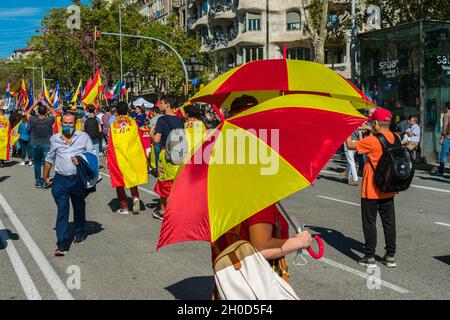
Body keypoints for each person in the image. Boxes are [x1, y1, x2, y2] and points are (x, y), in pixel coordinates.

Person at [345, 108, 398, 268]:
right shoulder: (396, 137)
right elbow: (384, 136)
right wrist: (370, 129)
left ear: (375, 123)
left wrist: (346, 129)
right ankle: (390, 256)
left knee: (370, 223)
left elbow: (349, 145)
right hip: (389, 188)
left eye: (371, 123)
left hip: (371, 190)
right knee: (389, 223)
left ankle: (369, 256)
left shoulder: (372, 141)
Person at [42, 112, 96, 256]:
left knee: (78, 206)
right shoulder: (54, 139)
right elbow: (49, 158)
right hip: (60, 180)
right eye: (65, 123)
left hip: (78, 179)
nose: (68, 126)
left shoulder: (84, 137)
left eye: (70, 123)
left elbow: (93, 155)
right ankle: (62, 244)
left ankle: (79, 232)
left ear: (75, 123)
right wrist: (45, 176)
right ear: (61, 123)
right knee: (62, 210)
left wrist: (81, 159)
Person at [107, 101, 147, 215]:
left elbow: (111, 142)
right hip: (132, 154)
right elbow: (138, 138)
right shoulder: (133, 122)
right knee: (132, 177)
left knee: (119, 180)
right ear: (127, 110)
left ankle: (124, 207)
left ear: (117, 111)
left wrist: (109, 156)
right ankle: (135, 197)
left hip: (119, 155)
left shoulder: (113, 123)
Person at [150, 97, 185, 220]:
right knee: (177, 183)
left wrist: (151, 133)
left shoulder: (161, 120)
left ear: (167, 105)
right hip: (179, 155)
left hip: (167, 155)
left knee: (165, 182)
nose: (159, 105)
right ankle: (178, 209)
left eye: (162, 103)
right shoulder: (180, 120)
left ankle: (162, 210)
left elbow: (157, 140)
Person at [26, 101, 56, 188]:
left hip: (36, 144)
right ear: (46, 112)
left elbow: (27, 112)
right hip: (47, 144)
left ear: (38, 112)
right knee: (47, 163)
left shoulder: (34, 120)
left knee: (37, 164)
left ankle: (38, 181)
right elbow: (54, 113)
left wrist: (34, 104)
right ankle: (45, 180)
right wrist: (47, 105)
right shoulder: (49, 120)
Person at [432, 102, 450, 176]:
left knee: (443, 155)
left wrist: (442, 137)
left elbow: (444, 127)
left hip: (448, 137)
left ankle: (441, 171)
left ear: (447, 107)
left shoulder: (446, 115)